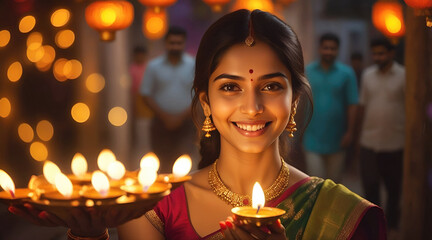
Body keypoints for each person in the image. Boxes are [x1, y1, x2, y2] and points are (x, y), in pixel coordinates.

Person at [7, 10, 386, 240]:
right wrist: (86, 234)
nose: (251, 106)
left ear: (295, 100)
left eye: (271, 86)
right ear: (206, 100)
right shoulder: (156, 208)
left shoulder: (344, 215)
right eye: (230, 87)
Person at [358, 38, 405, 232]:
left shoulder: (405, 75)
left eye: (381, 53)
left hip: (395, 142)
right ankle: (375, 227)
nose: (377, 57)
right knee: (370, 187)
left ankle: (392, 227)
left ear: (391, 53)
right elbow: (363, 106)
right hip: (369, 141)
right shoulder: (368, 75)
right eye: (374, 53)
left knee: (394, 188)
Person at [139, 26, 196, 173]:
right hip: (160, 123)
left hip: (186, 122)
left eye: (179, 43)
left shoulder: (193, 65)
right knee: (161, 164)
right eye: (172, 43)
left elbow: (200, 94)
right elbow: (145, 94)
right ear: (166, 43)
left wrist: (180, 117)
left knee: (184, 164)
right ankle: (164, 196)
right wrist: (166, 117)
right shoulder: (153, 66)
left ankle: (182, 196)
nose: (175, 46)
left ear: (184, 44)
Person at [303, 33, 359, 182]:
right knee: (315, 184)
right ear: (319, 49)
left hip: (337, 139)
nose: (328, 51)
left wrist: (350, 132)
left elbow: (353, 104)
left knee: (334, 184)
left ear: (338, 50)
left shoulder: (347, 73)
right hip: (312, 138)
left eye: (332, 48)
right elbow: (299, 101)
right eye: (325, 48)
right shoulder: (308, 71)